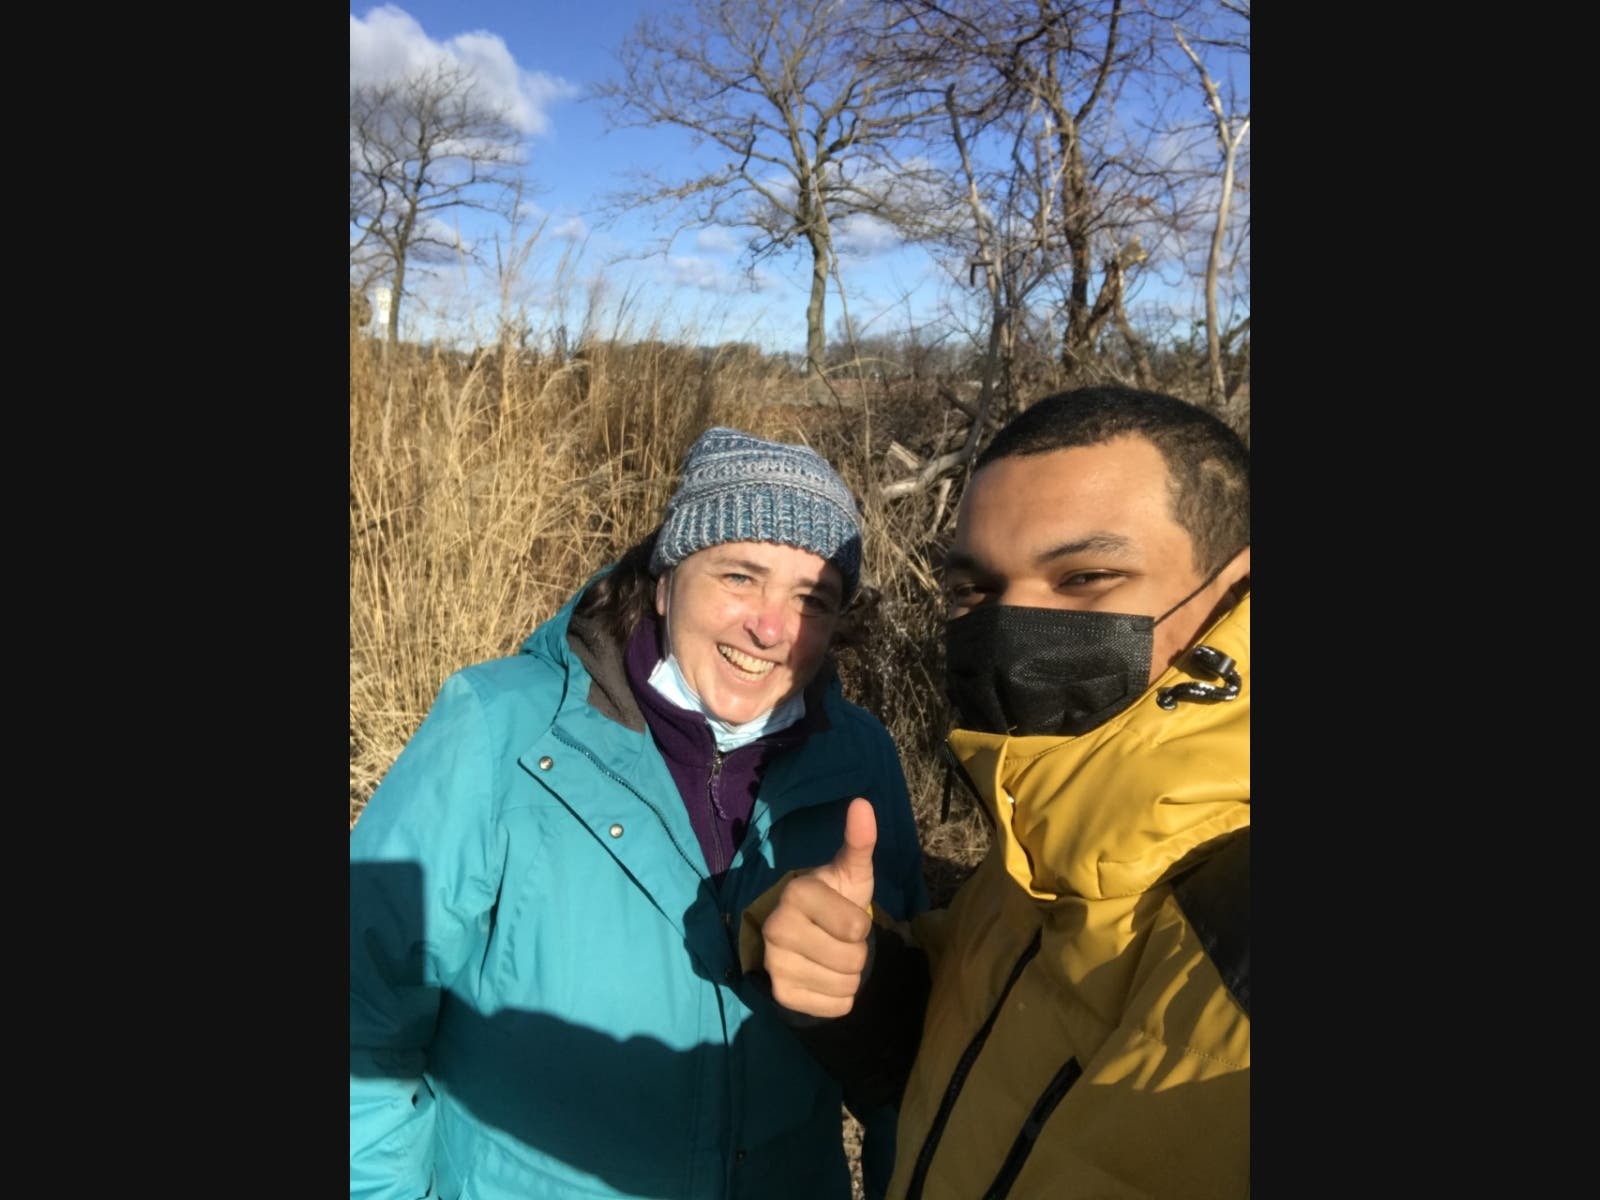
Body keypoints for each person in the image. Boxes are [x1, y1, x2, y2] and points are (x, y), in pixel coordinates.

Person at [350, 426, 930, 1200]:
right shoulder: (499, 729)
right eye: (740, 576)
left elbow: (912, 1074)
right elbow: (365, 1008)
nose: (771, 627)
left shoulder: (860, 765)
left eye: (811, 599)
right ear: (663, 579)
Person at [747, 385, 1251, 1199]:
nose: (1013, 630)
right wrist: (859, 979)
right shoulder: (1039, 836)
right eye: (974, 593)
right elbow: (982, 1055)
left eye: (1085, 576)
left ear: (1232, 593)